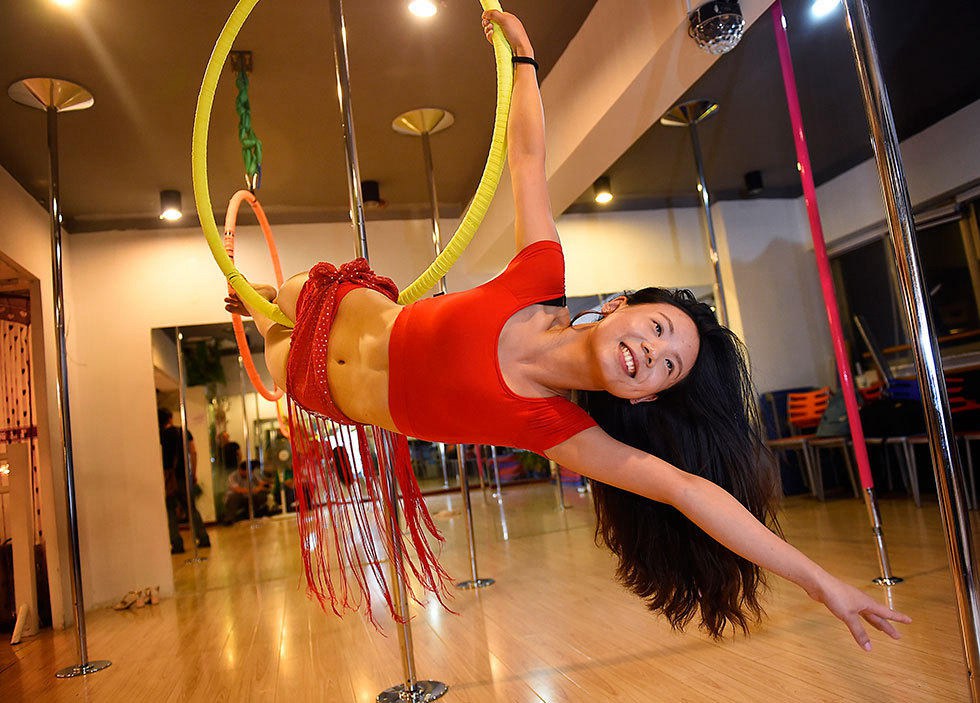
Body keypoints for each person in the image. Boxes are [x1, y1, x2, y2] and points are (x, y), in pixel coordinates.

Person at [224, 10, 909, 648]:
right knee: (276, 297)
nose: (654, 352)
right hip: (336, 306)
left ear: (642, 398)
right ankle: (253, 301)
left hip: (323, 391)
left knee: (269, 351)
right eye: (662, 328)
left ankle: (248, 309)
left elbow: (689, 491)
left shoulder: (559, 432)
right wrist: (523, 60)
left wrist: (822, 581)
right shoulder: (537, 276)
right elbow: (526, 159)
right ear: (618, 305)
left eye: (668, 367)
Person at [158, 407, 210, 552]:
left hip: (168, 480)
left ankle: (177, 544)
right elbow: (192, 452)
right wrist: (193, 472)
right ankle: (203, 538)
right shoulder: (183, 432)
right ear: (170, 418)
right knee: (191, 509)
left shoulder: (159, 435)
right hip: (183, 478)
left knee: (170, 512)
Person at [222, 459, 271, 524]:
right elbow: (238, 490)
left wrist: (263, 486)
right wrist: (253, 490)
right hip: (236, 498)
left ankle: (252, 515)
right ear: (241, 470)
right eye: (247, 471)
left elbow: (261, 483)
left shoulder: (252, 475)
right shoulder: (233, 476)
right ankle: (229, 519)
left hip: (248, 497)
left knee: (261, 495)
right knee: (234, 496)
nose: (249, 473)